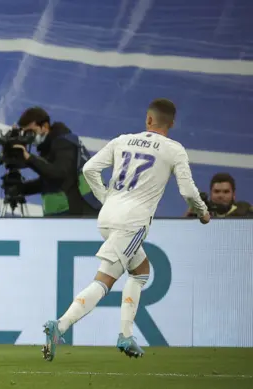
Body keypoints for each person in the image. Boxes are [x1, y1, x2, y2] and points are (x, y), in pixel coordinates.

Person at [41, 98, 210, 361]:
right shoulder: (174, 149)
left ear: (148, 119)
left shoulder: (123, 140)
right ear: (172, 123)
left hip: (108, 215)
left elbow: (88, 169)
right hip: (132, 223)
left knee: (141, 271)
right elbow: (188, 191)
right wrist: (202, 211)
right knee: (104, 280)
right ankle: (60, 325)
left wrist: (106, 197)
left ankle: (125, 335)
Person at [12, 107, 100, 216]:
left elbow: (59, 174)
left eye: (31, 132)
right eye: (25, 134)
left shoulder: (64, 143)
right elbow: (48, 183)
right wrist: (21, 189)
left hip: (79, 214)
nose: (30, 138)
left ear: (44, 126)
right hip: (63, 214)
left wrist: (29, 159)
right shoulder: (49, 146)